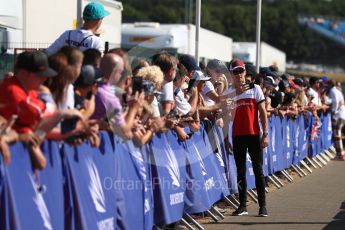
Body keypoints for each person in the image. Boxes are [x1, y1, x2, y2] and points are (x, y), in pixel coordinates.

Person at [228, 59, 269, 217]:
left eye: (241, 71)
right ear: (231, 74)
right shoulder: (230, 92)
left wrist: (265, 134)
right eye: (235, 72)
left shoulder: (256, 88)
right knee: (240, 172)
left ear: (245, 72)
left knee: (258, 171)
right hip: (237, 136)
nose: (239, 74)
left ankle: (263, 206)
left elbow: (263, 113)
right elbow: (228, 115)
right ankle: (242, 206)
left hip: (253, 135)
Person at [328, 80, 345, 160]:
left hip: (339, 115)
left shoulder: (332, 91)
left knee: (337, 134)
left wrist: (333, 112)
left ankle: (340, 154)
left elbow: (336, 102)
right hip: (341, 114)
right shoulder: (337, 91)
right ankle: (340, 153)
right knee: (336, 134)